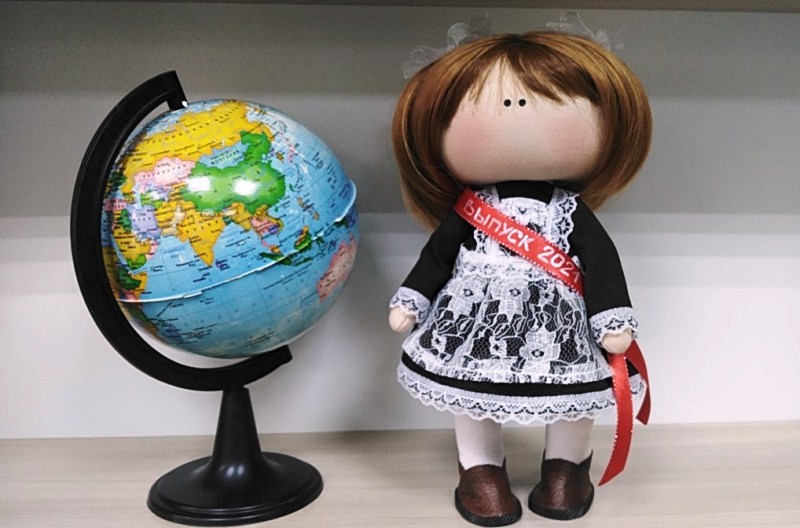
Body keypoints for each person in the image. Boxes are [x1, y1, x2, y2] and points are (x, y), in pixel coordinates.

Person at [388, 30, 652, 525]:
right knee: (470, 393)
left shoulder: (568, 210)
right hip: (475, 323)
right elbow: (436, 257)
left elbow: (602, 263)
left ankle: (567, 468)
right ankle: (479, 469)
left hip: (557, 324)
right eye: (500, 103)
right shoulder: (471, 208)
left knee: (572, 396)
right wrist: (412, 299)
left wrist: (611, 319)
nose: (517, 112)